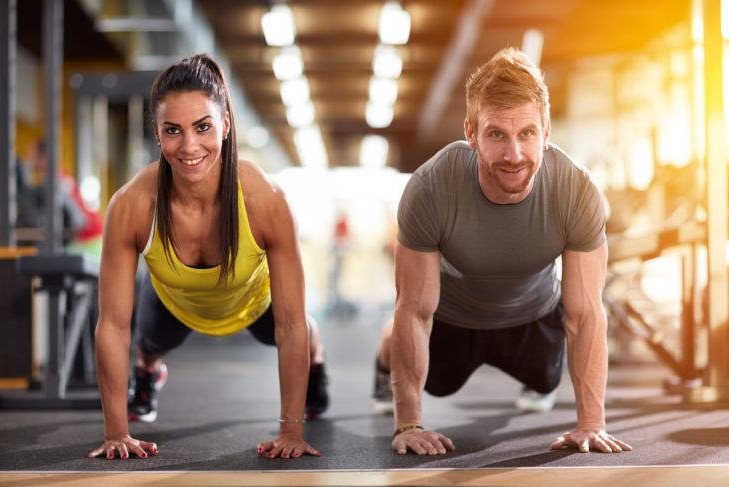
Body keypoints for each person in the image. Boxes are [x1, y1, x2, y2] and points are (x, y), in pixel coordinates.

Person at [372, 47, 632, 456]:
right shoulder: (430, 188)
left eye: (526, 133)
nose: (514, 155)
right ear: (471, 133)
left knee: (547, 380)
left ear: (546, 133)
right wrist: (408, 423)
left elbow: (585, 315)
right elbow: (415, 312)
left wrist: (590, 424)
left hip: (532, 315)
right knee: (413, 346)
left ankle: (534, 375)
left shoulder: (577, 190)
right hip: (454, 319)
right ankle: (383, 356)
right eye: (497, 134)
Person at [88, 54, 328, 461]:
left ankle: (317, 360)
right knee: (148, 343)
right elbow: (112, 325)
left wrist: (290, 430)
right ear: (157, 133)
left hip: (252, 302)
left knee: (301, 326)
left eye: (203, 127)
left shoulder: (266, 200)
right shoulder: (131, 204)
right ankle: (149, 371)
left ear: (226, 126)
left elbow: (288, 324)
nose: (189, 146)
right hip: (173, 300)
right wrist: (116, 433)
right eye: (173, 131)